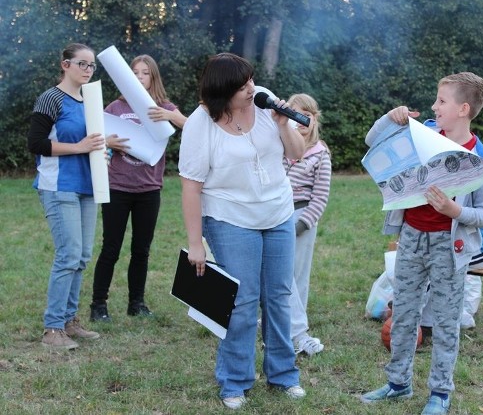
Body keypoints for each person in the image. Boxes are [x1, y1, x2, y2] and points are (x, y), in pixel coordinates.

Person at [360, 72, 483, 415]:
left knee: (446, 321)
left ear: (464, 109)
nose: (434, 107)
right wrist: (389, 118)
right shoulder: (423, 135)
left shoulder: (479, 157)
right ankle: (398, 384)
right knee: (404, 314)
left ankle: (440, 394)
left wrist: (456, 210)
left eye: (442, 101)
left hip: (451, 249)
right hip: (410, 238)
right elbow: (371, 139)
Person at [178, 53, 306, 410]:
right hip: (230, 218)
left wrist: (283, 124)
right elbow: (191, 187)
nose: (251, 88)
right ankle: (234, 381)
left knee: (280, 295)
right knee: (242, 301)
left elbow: (296, 153)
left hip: (278, 213)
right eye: (242, 86)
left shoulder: (264, 101)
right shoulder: (200, 124)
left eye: (251, 80)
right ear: (221, 92)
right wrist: (195, 244)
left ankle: (284, 375)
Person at [89, 54, 187, 322]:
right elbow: (95, 140)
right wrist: (109, 142)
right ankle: (98, 305)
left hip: (149, 190)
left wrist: (169, 114)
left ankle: (137, 303)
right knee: (111, 247)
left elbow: (192, 127)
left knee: (141, 250)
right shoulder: (115, 108)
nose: (139, 76)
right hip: (118, 187)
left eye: (145, 73)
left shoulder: (163, 106)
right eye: (135, 72)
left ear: (153, 77)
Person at [27, 43, 103, 350]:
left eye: (91, 66)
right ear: (65, 65)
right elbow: (36, 143)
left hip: (87, 187)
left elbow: (91, 142)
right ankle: (52, 329)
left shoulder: (90, 101)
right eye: (82, 64)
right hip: (58, 186)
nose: (87, 70)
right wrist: (79, 147)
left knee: (82, 257)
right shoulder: (50, 98)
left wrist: (101, 151)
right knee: (68, 255)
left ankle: (70, 322)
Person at [284, 93, 331, 356]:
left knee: (296, 276)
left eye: (306, 116)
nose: (301, 121)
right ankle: (280, 320)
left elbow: (320, 196)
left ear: (315, 119)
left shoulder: (320, 154)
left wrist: (301, 225)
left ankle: (297, 331)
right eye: (295, 115)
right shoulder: (280, 146)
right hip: (274, 215)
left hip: (301, 219)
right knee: (280, 274)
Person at [421, 224, 483, 333]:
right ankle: (426, 316)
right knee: (440, 265)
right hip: (474, 252)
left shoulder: (477, 211)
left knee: (444, 266)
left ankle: (417, 311)